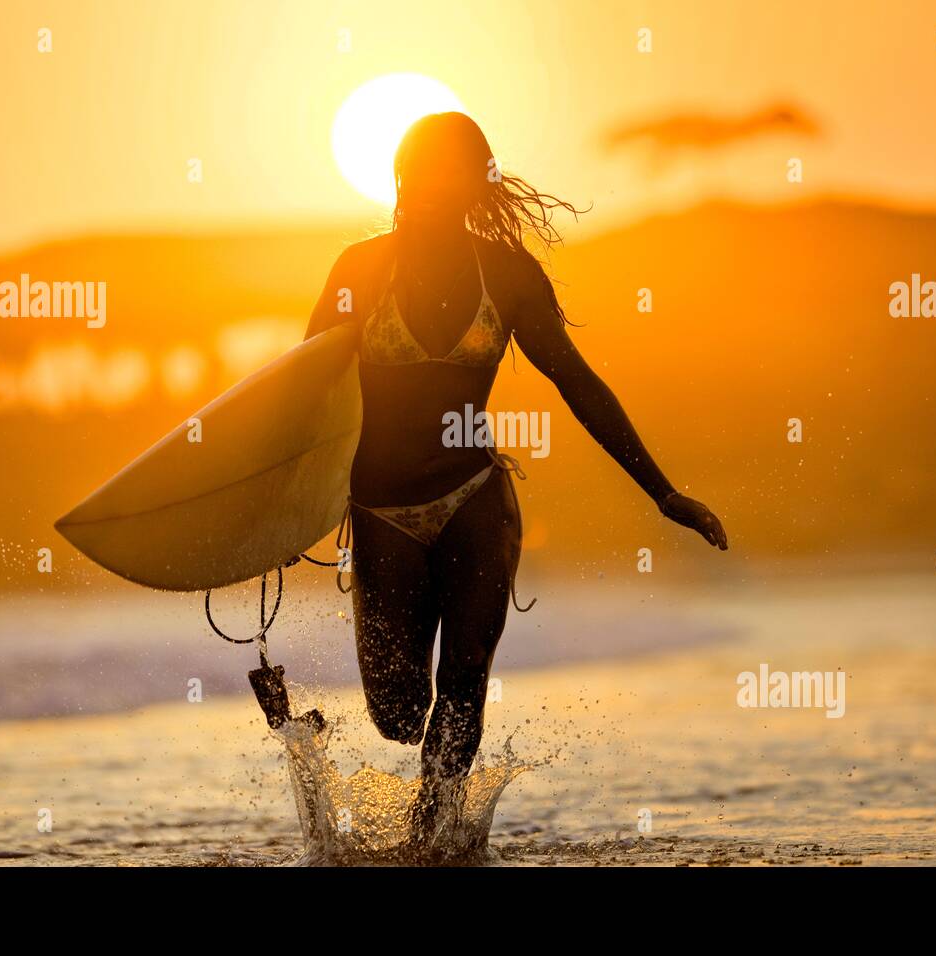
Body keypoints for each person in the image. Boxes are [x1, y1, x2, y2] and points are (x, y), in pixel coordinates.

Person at [304, 112, 727, 847]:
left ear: (478, 181)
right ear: (399, 177)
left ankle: (429, 844)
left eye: (452, 171)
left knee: (465, 677)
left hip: (475, 497)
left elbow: (580, 384)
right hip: (380, 508)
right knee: (399, 713)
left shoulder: (506, 274)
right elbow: (301, 392)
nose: (434, 185)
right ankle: (399, 809)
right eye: (420, 169)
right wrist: (273, 517)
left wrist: (663, 493)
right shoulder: (361, 270)